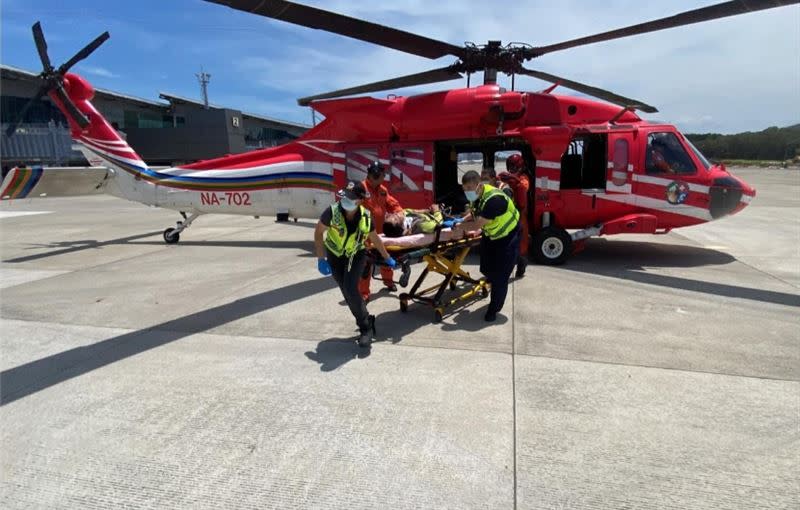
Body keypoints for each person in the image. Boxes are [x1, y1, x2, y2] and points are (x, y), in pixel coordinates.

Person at [314, 181, 397, 347]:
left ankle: (365, 328)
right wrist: (321, 258)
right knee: (346, 292)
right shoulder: (332, 212)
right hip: (335, 254)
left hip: (356, 254)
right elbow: (318, 233)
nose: (345, 200)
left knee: (351, 289)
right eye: (345, 196)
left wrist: (387, 257)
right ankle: (367, 318)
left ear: (360, 200)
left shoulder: (366, 216)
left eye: (351, 198)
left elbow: (374, 238)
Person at [451, 170, 520, 322]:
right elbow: (475, 213)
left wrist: (460, 227)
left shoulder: (494, 200)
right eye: (465, 189)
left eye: (470, 188)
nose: (467, 192)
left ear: (479, 185)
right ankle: (516, 262)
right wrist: (459, 220)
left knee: (500, 277)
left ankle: (493, 309)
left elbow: (477, 224)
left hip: (508, 236)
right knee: (487, 267)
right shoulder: (477, 196)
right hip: (492, 235)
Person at [359, 161, 404, 301]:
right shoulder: (360, 189)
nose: (383, 179)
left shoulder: (382, 189)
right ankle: (364, 293)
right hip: (364, 236)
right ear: (372, 176)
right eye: (381, 176)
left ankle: (388, 282)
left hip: (380, 234)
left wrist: (399, 213)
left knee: (385, 258)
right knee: (365, 266)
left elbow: (393, 204)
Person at [498, 153, 530, 278]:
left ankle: (521, 266)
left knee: (522, 242)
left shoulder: (523, 178)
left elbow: (524, 187)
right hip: (506, 214)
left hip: (520, 214)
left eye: (514, 167)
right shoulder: (505, 178)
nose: (512, 170)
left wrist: (514, 179)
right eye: (510, 167)